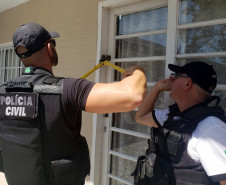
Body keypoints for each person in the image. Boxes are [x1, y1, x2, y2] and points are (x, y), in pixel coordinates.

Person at [0, 22, 146, 185]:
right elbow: (132, 96)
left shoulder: (2, 92)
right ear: (49, 48)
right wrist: (137, 71)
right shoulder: (68, 89)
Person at [135, 61, 226, 185]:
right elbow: (141, 117)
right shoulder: (174, 115)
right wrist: (157, 88)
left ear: (188, 83)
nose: (171, 80)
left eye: (175, 77)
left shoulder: (210, 128)